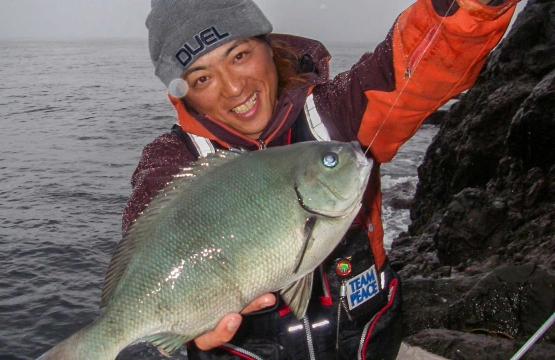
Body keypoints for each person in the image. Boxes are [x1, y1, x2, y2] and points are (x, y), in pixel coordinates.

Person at [122, 0, 520, 359]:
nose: (234, 87)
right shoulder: (173, 161)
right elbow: (148, 243)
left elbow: (419, 57)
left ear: (268, 44)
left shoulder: (332, 113)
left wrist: (472, 6)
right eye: (202, 79)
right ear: (185, 94)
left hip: (374, 343)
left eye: (239, 55)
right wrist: (181, 336)